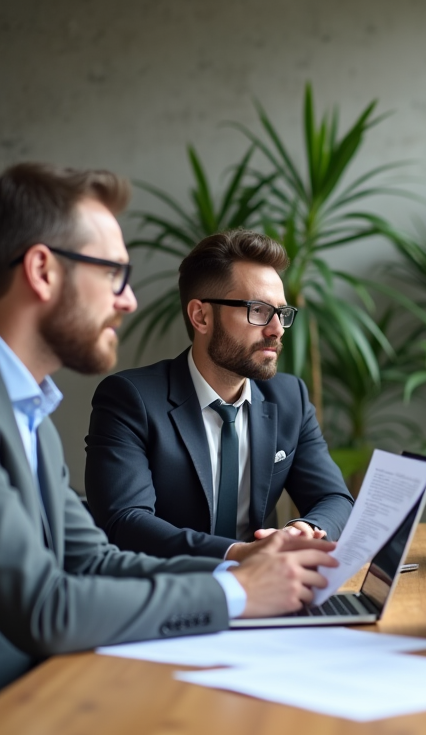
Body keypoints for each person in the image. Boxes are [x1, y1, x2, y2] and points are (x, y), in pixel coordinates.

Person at [0, 164, 337, 735]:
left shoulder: (19, 402)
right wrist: (240, 592)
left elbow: (95, 562)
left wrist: (244, 566)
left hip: (27, 699)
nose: (129, 299)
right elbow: (44, 607)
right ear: (42, 270)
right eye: (113, 273)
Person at [85, 230, 354, 560]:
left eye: (281, 313)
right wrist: (239, 554)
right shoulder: (131, 399)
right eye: (258, 310)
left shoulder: (289, 398)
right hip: (175, 594)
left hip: (275, 592)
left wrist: (301, 530)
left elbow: (335, 499)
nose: (276, 329)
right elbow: (125, 521)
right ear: (201, 316)